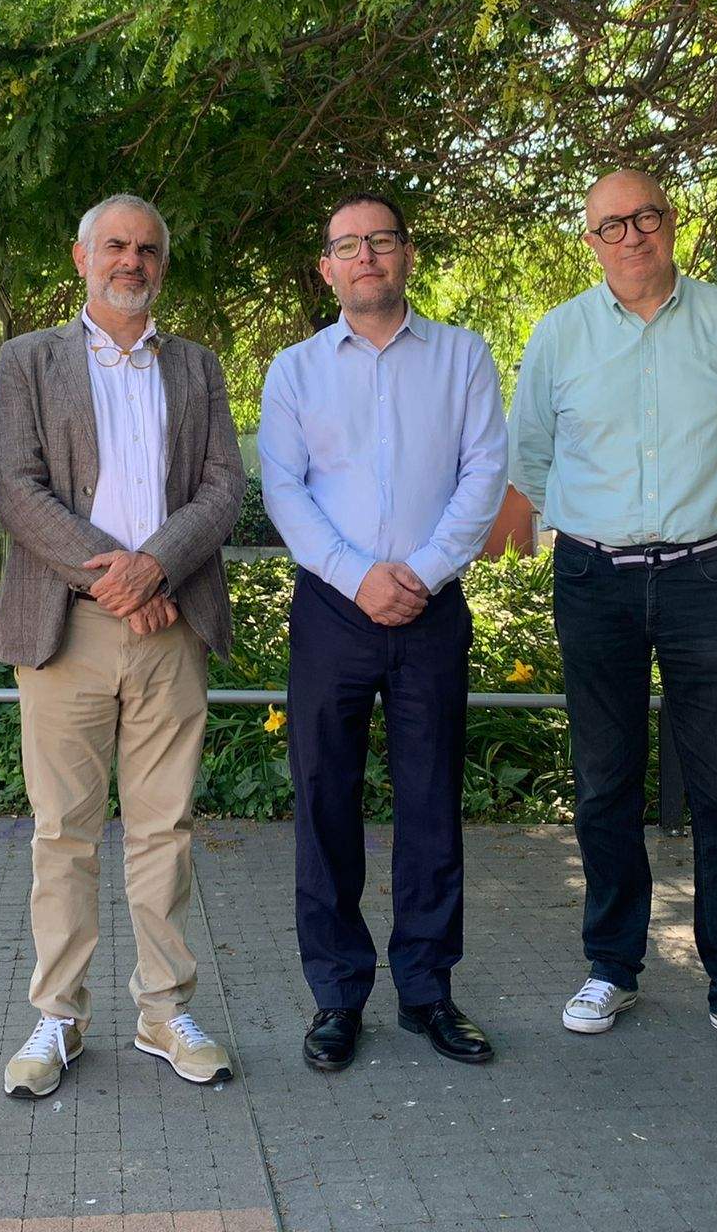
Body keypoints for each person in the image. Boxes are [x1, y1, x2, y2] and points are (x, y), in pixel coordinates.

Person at [510, 168, 717, 1065]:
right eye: (611, 225)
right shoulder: (560, 335)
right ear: (591, 241)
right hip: (593, 578)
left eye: (645, 216)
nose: (631, 235)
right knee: (603, 781)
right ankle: (612, 966)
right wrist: (591, 523)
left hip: (707, 577)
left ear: (670, 223)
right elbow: (530, 457)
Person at [0, 193, 245, 1099]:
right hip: (67, 626)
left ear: (161, 264)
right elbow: (15, 487)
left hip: (170, 622)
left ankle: (164, 1010)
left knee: (165, 827)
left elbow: (223, 486)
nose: (132, 261)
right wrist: (115, 578)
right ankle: (58, 1016)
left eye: (148, 249)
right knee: (64, 831)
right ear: (82, 257)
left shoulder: (197, 366)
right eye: (116, 246)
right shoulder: (28, 361)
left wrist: (157, 567)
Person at [257, 193, 508, 1073]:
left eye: (382, 240)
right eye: (348, 245)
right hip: (333, 608)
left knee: (432, 801)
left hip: (432, 607)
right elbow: (283, 488)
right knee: (324, 799)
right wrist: (356, 574)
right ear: (326, 267)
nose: (366, 255)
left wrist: (423, 572)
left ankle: (429, 992)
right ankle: (337, 995)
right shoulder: (294, 370)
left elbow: (485, 472)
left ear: (407, 255)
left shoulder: (463, 356)